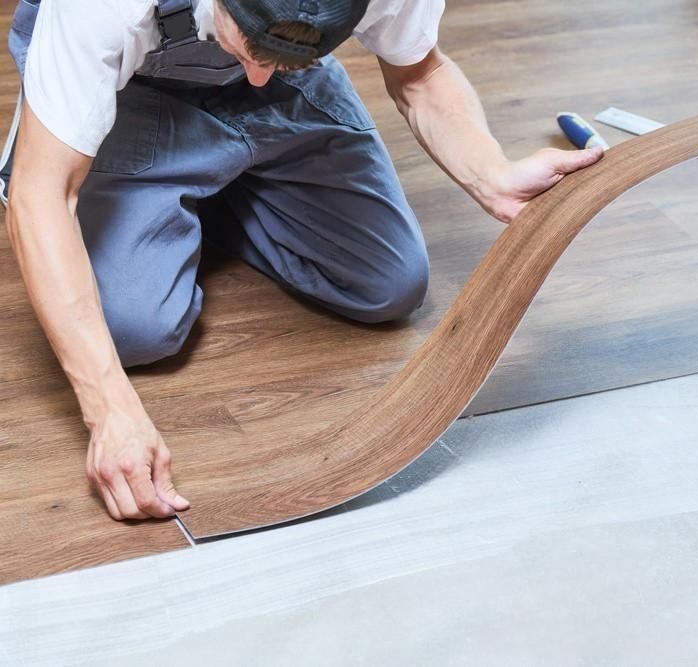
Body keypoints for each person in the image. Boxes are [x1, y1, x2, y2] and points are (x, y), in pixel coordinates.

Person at [1, 0, 603, 522]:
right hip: (136, 92)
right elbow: (41, 194)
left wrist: (491, 174)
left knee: (389, 285)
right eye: (250, 45)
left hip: (294, 97)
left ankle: (210, 182)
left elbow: (421, 73)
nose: (259, 76)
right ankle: (182, 177)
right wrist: (110, 414)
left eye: (280, 56)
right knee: (131, 329)